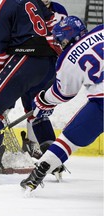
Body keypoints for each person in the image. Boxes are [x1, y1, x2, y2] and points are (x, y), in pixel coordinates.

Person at [0, 0, 62, 182]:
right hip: (49, 62)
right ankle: (53, 158)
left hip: (27, 59)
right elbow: (50, 23)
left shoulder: (0, 6)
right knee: (36, 109)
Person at [20, 16, 103, 191]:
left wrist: (41, 101)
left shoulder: (68, 58)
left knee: (69, 139)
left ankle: (38, 173)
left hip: (101, 103)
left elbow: (63, 94)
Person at [22, 0, 68, 158]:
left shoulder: (60, 10)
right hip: (26, 63)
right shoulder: (27, 7)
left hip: (50, 66)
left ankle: (32, 144)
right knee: (5, 106)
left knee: (38, 107)